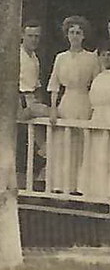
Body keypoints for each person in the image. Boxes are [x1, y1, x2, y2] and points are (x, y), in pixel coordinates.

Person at [47, 15, 99, 194]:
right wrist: (53, 108)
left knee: (81, 143)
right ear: (67, 35)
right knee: (63, 143)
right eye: (71, 32)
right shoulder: (60, 57)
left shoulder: (91, 58)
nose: (75, 36)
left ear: (84, 36)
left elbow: (97, 85)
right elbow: (54, 85)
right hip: (66, 101)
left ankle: (80, 186)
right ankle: (61, 186)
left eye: (78, 32)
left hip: (84, 100)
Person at [78, 40, 110, 200]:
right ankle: (94, 193)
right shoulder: (99, 76)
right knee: (96, 154)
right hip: (97, 117)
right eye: (103, 55)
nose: (107, 58)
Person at [18, 22, 50, 183]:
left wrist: (38, 102)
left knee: (42, 141)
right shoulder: (16, 55)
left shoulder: (34, 57)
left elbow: (36, 85)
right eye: (30, 36)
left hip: (31, 99)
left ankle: (42, 171)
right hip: (19, 100)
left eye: (37, 36)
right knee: (54, 114)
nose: (34, 39)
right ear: (22, 35)